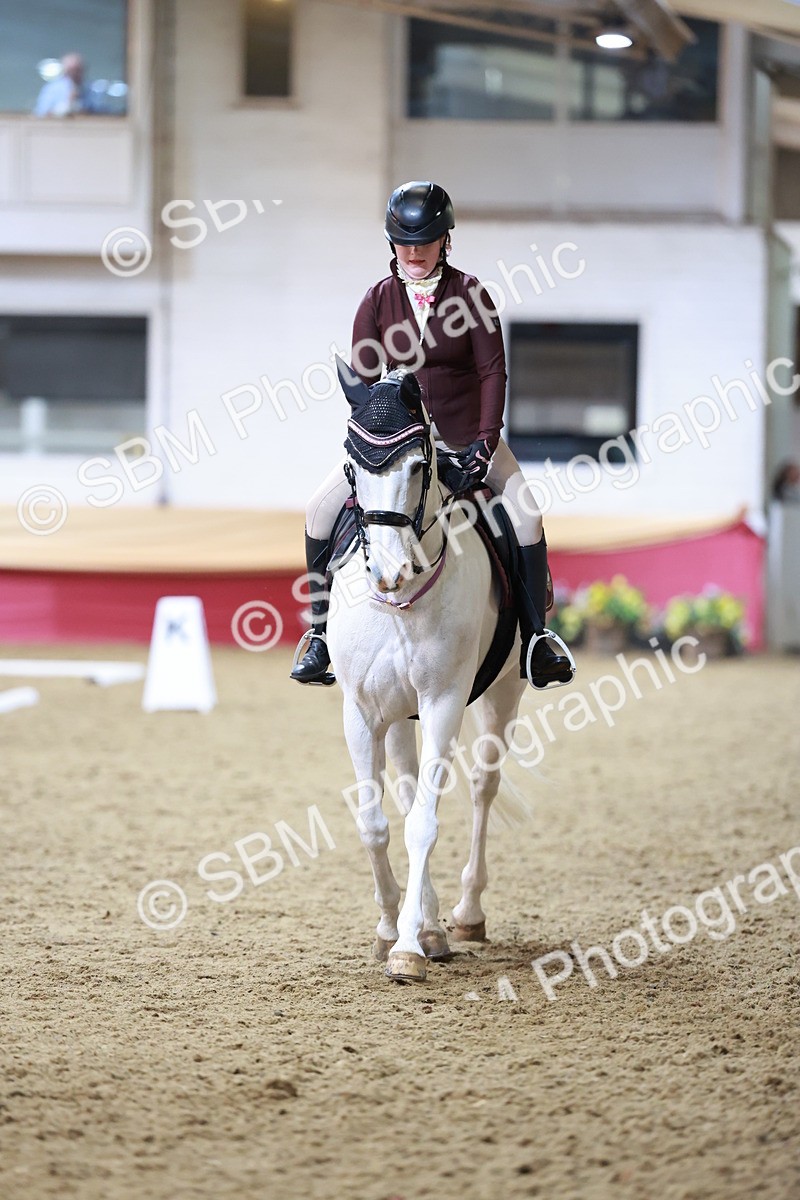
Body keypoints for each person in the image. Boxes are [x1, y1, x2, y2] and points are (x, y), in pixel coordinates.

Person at [290, 180, 572, 689]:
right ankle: (317, 635)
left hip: (467, 438)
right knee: (318, 509)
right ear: (392, 244)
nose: (415, 251)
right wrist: (374, 443)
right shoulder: (376, 301)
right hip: (400, 446)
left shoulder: (470, 294)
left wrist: (487, 441)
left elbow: (493, 372)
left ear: (446, 240)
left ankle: (536, 641)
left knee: (528, 515)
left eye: (426, 240)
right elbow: (365, 383)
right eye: (405, 242)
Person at [34, 54, 104, 117]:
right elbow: (41, 112)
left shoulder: (92, 88)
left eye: (78, 70)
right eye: (72, 70)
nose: (75, 74)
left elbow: (100, 110)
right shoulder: (52, 88)